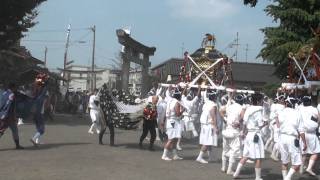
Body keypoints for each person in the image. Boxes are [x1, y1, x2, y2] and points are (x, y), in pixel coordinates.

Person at [233, 93, 266, 180]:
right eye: (262, 100)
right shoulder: (258, 110)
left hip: (248, 135)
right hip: (255, 135)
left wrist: (243, 132)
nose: (263, 101)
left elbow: (244, 122)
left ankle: (236, 173)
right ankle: (258, 177)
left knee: (246, 155)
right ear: (259, 101)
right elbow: (260, 124)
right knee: (258, 157)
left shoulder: (248, 109)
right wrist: (265, 123)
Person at [277, 96, 307, 180]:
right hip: (292, 138)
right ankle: (287, 178)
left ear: (286, 103)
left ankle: (285, 178)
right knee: (297, 163)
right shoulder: (297, 113)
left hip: (282, 138)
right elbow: (301, 130)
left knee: (284, 161)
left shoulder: (281, 112)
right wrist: (304, 142)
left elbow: (278, 124)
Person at [219, 93, 245, 175]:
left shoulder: (230, 106)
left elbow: (221, 111)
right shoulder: (241, 108)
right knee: (233, 151)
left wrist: (225, 119)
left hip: (227, 130)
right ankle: (229, 170)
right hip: (234, 132)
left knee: (225, 149)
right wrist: (238, 122)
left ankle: (223, 167)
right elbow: (243, 117)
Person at [299, 95, 320, 176]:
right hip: (311, 133)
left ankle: (301, 168)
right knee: (316, 152)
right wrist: (316, 123)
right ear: (310, 101)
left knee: (304, 152)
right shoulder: (314, 109)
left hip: (302, 133)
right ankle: (309, 167)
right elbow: (319, 119)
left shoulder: (299, 109)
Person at [161, 88, 184, 161]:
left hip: (170, 120)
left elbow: (166, 112)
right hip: (173, 121)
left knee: (174, 139)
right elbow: (177, 114)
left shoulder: (170, 101)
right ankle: (164, 155)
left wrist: (163, 121)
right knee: (171, 139)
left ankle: (175, 155)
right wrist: (183, 111)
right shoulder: (177, 103)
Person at [196, 89, 218, 163]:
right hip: (209, 125)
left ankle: (210, 157)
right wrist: (215, 127)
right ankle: (200, 157)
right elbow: (213, 117)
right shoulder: (213, 105)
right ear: (215, 97)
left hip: (204, 125)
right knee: (207, 142)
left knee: (209, 141)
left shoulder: (206, 103)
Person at [0, 83, 24, 149]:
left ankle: (17, 145)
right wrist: (14, 116)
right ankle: (17, 145)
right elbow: (11, 106)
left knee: (3, 130)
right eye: (15, 88)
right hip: (8, 116)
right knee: (10, 130)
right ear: (13, 88)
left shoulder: (3, 93)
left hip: (2, 114)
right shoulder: (12, 95)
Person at [30, 79, 49, 146]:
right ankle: (33, 138)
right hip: (39, 113)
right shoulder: (41, 96)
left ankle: (36, 141)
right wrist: (46, 84)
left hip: (34, 113)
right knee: (42, 129)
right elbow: (45, 90)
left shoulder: (34, 95)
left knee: (38, 127)